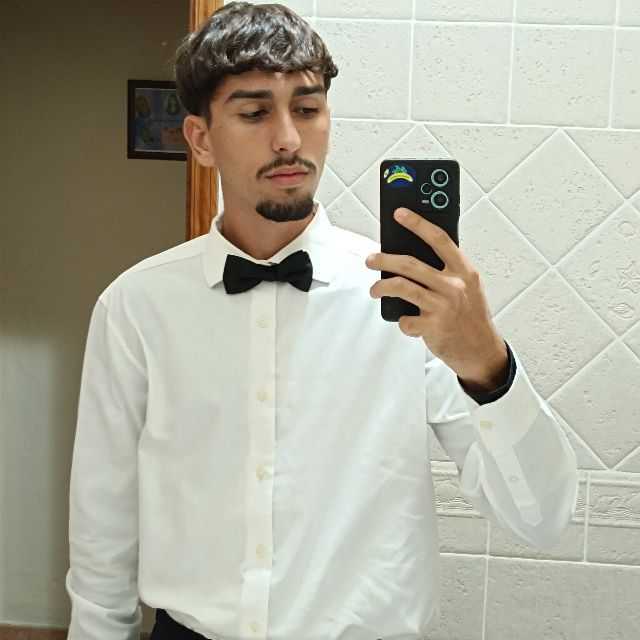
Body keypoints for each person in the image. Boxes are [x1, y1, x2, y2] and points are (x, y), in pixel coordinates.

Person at [65, 3, 579, 639]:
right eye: (255, 113)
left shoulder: (410, 302)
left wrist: (489, 365)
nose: (288, 139)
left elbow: (541, 518)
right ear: (200, 139)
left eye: (307, 109)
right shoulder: (136, 306)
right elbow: (103, 524)